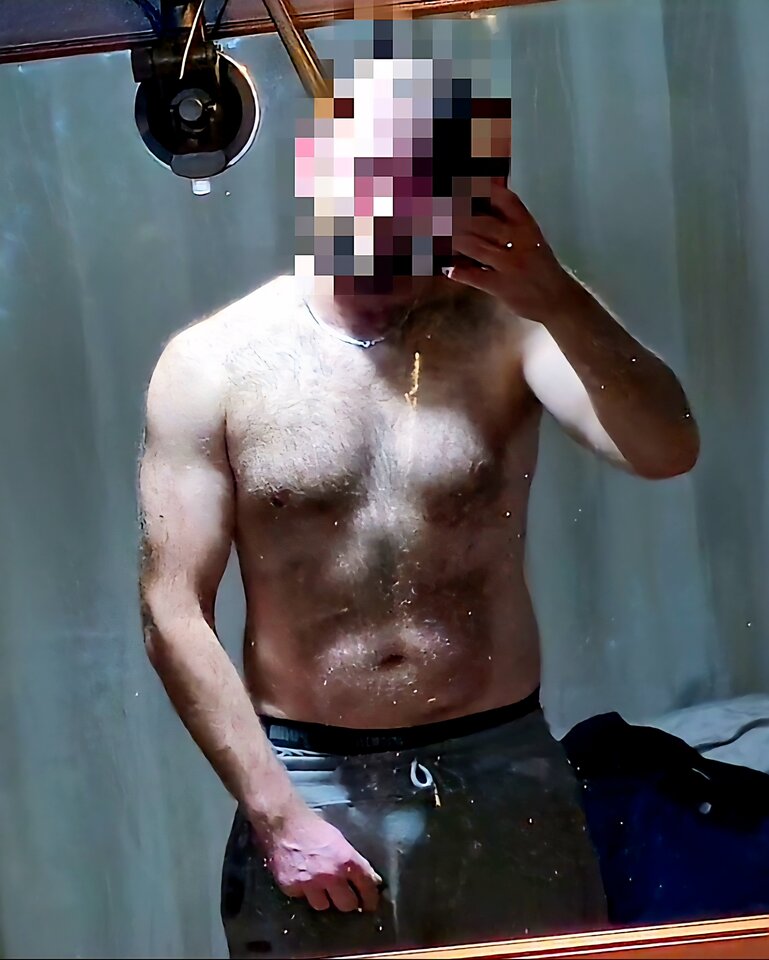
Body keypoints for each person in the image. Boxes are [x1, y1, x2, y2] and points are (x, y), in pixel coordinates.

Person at [138, 56, 699, 960]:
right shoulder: (214, 363)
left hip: (500, 764)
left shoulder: (511, 326)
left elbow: (666, 450)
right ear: (321, 176)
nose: (407, 233)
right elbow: (172, 607)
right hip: (310, 775)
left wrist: (556, 295)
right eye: (385, 199)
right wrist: (276, 811)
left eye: (437, 207)